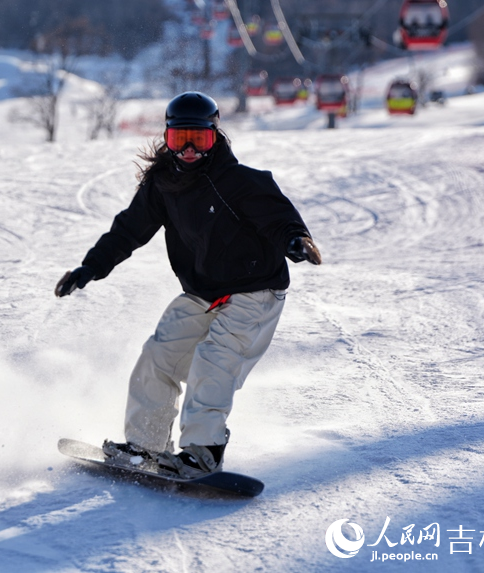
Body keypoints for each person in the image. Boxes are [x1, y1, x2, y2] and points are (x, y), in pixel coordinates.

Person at [54, 92, 322, 478]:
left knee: (215, 360)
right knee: (159, 355)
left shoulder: (240, 182)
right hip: (203, 292)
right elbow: (129, 229)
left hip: (255, 290)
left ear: (216, 136)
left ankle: (203, 452)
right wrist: (90, 267)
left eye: (201, 139)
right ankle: (145, 446)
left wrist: (297, 240)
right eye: (181, 140)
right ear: (168, 138)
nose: (191, 150)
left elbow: (280, 219)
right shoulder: (164, 185)